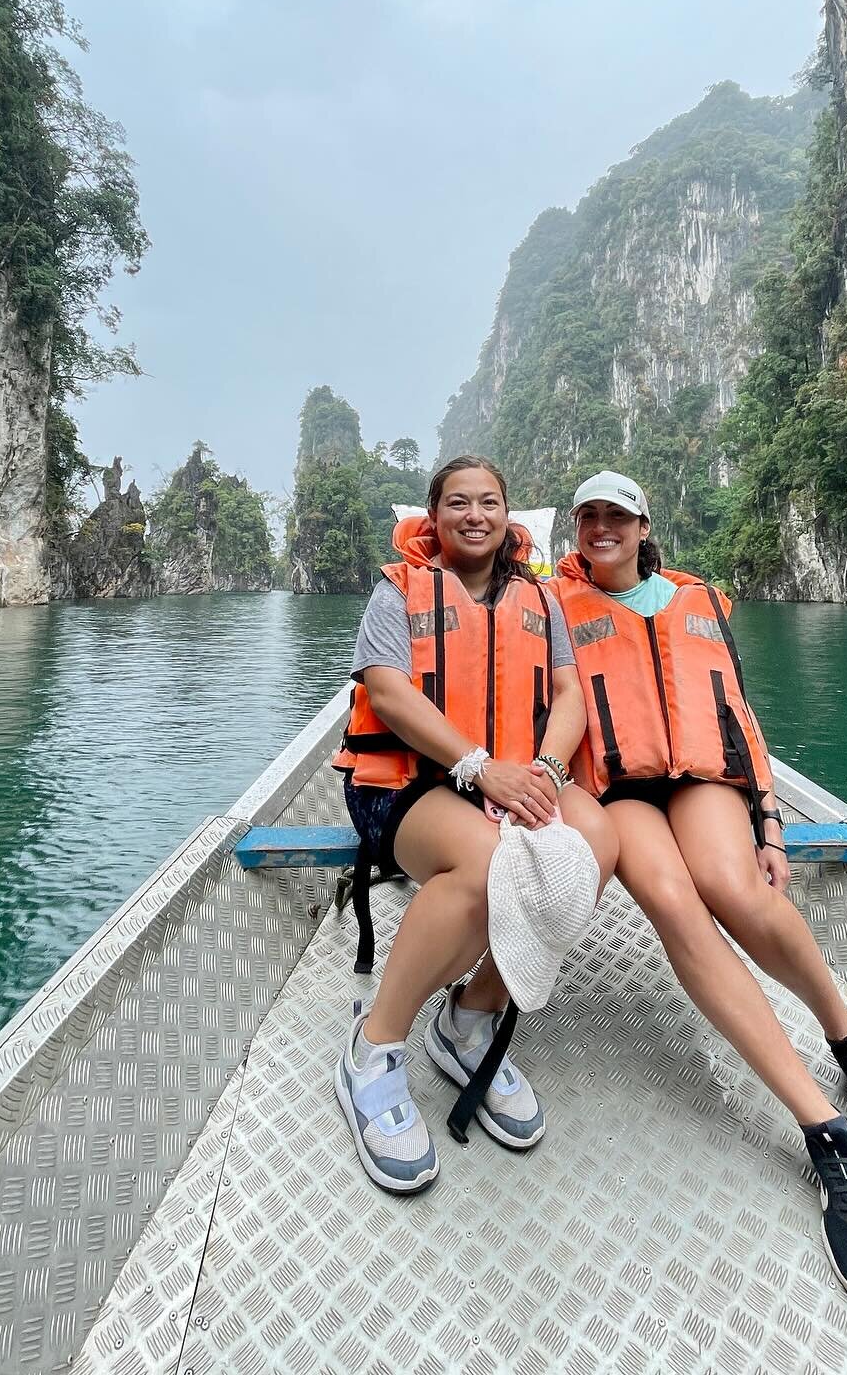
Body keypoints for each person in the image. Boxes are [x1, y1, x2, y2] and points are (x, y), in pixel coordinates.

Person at [552, 471, 847, 1313]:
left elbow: (739, 716)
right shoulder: (553, 603)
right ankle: (825, 1133)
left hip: (705, 779)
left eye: (617, 514)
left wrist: (769, 822)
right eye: (588, 516)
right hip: (618, 789)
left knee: (736, 889)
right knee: (679, 908)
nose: (602, 527)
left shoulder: (697, 601)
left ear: (645, 523)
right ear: (575, 529)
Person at [333, 455, 618, 1193]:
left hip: (513, 778)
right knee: (492, 864)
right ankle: (374, 1045)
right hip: (406, 784)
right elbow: (390, 695)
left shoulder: (539, 599)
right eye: (457, 502)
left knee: (596, 842)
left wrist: (547, 772)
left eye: (488, 502)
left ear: (507, 516)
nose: (474, 515)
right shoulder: (398, 591)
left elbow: (568, 695)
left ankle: (469, 1017)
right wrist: (478, 769)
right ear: (432, 517)